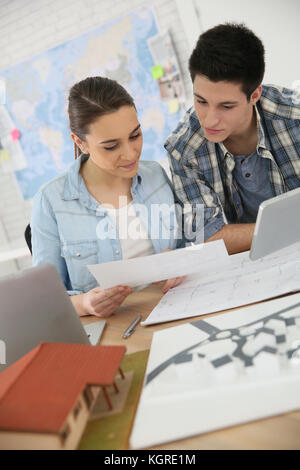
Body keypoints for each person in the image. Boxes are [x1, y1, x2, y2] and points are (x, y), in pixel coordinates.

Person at [31, 76, 184, 318]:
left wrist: (177, 260)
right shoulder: (50, 201)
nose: (130, 153)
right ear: (80, 142)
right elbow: (42, 299)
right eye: (111, 146)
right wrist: (84, 304)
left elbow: (187, 245)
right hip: (111, 326)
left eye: (135, 135)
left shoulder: (155, 174)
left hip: (176, 306)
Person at [165, 23, 300, 254]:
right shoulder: (183, 149)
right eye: (201, 101)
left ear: (254, 94)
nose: (209, 120)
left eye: (226, 106)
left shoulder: (295, 117)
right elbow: (207, 238)